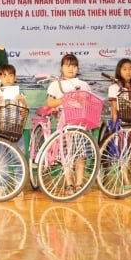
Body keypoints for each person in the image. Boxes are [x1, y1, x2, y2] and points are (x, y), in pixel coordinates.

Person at [45, 53, 91, 193]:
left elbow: (89, 102)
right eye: (68, 65)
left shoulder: (83, 84)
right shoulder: (55, 85)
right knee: (66, 156)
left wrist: (80, 100)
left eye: (74, 66)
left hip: (80, 124)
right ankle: (69, 183)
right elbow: (50, 102)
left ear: (77, 68)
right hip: (64, 125)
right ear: (61, 68)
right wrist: (65, 100)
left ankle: (79, 183)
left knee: (80, 155)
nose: (71, 68)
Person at [106, 58, 131, 191]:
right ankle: (125, 180)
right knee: (123, 154)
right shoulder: (114, 87)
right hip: (120, 124)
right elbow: (114, 108)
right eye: (124, 69)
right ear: (119, 71)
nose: (128, 72)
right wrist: (115, 126)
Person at [0, 64, 28, 154]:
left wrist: (23, 103)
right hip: (0, 131)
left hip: (16, 131)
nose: (7, 79)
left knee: (19, 157)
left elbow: (24, 114)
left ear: (15, 78)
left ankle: (21, 168)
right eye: (4, 76)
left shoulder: (20, 94)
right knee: (2, 161)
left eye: (10, 75)